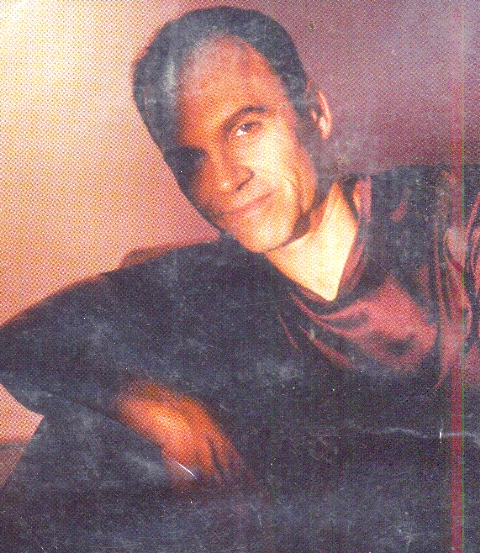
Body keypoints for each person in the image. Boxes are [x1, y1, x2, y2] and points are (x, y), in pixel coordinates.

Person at [0, 6, 479, 552]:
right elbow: (21, 342)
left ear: (314, 113)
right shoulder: (208, 281)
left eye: (246, 128)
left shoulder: (451, 212)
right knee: (89, 428)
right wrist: (154, 408)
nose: (225, 179)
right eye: (191, 159)